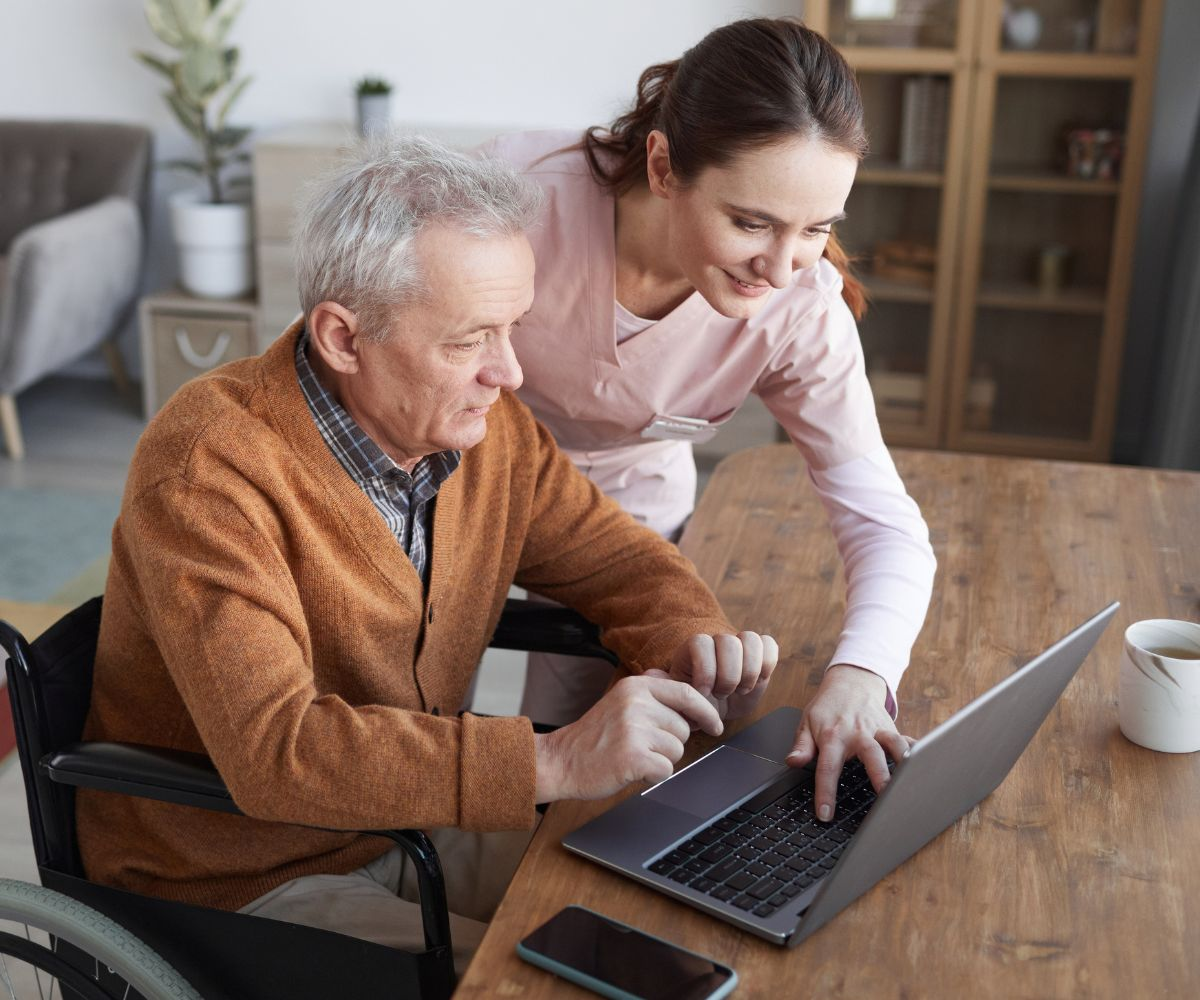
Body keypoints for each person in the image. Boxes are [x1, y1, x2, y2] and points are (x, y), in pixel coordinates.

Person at [76, 134, 778, 974]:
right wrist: (550, 759)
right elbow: (277, 753)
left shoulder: (485, 433)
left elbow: (611, 557)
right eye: (469, 341)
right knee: (559, 980)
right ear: (344, 338)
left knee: (676, 901)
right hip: (239, 872)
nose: (509, 372)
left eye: (513, 328)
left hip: (408, 823)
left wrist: (693, 638)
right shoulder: (208, 468)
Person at [480, 16, 937, 823]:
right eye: (752, 222)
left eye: (818, 229)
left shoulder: (799, 309)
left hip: (626, 525)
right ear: (662, 165)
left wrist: (864, 673)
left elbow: (882, 519)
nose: (782, 265)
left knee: (602, 777)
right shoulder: (512, 205)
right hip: (463, 491)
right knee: (445, 733)